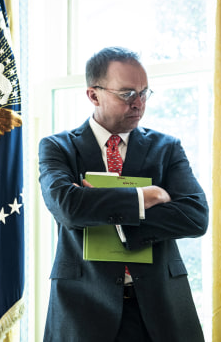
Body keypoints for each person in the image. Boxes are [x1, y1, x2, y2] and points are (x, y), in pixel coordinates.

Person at [38, 46, 209, 341]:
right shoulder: (58, 148)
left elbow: (195, 217)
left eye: (145, 92)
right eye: (127, 94)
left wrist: (100, 208)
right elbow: (68, 208)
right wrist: (146, 198)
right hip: (83, 307)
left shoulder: (167, 148)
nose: (139, 103)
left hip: (161, 307)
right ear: (94, 95)